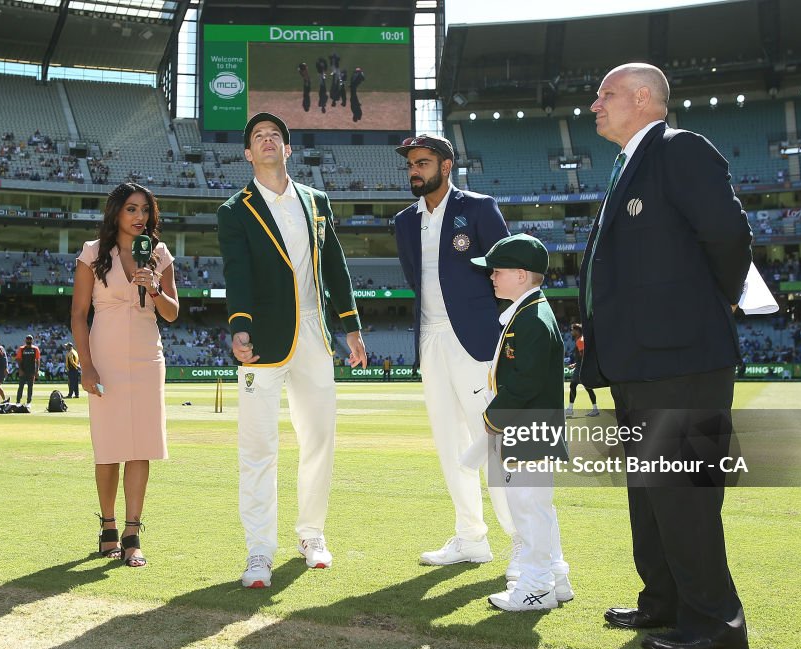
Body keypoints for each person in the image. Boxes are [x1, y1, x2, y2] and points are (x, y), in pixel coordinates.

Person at [582, 63, 751, 649]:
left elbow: (729, 236)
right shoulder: (628, 164)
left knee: (684, 492)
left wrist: (711, 302)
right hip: (636, 362)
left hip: (683, 356)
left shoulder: (679, 150)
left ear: (644, 98)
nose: (594, 106)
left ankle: (716, 624)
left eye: (605, 95)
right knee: (649, 491)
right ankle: (665, 602)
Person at [218, 112, 366, 589]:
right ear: (247, 153)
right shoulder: (234, 210)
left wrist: (352, 327)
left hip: (316, 336)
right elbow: (236, 273)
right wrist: (240, 328)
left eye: (275, 136)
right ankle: (259, 550)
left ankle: (312, 535)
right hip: (263, 340)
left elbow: (336, 266)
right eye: (259, 137)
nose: (267, 141)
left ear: (288, 149)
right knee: (258, 447)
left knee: (319, 439)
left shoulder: (315, 200)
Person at [393, 133, 518, 574]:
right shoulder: (404, 222)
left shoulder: (478, 208)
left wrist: (500, 332)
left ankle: (525, 545)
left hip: (477, 341)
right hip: (430, 341)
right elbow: (416, 278)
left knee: (496, 443)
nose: (414, 169)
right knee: (450, 446)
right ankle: (470, 538)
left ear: (446, 166)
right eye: (410, 163)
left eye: (423, 162)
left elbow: (507, 271)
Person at [72, 181, 179, 568]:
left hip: (147, 359)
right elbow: (78, 314)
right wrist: (86, 364)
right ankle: (108, 528)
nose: (139, 217)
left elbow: (172, 313)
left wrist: (153, 289)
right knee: (109, 446)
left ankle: (133, 533)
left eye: (145, 210)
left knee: (141, 445)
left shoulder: (159, 254)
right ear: (116, 211)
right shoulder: (93, 253)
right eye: (132, 209)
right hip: (106, 357)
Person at [472, 234, 574, 612]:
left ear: (520, 274)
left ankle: (536, 587)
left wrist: (491, 418)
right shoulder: (530, 311)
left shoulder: (530, 318)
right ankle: (555, 578)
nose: (492, 277)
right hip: (532, 427)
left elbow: (524, 383)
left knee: (528, 511)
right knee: (539, 508)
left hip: (526, 429)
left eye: (497, 271)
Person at [565, 323, 599, 417]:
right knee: (588, 388)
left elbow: (584, 356)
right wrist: (576, 364)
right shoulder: (581, 340)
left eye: (572, 330)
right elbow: (583, 356)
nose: (571, 332)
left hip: (581, 369)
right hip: (583, 368)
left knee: (573, 386)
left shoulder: (580, 341)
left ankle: (570, 409)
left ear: (577, 331)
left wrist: (579, 366)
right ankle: (595, 409)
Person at [14, 335, 40, 405]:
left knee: (30, 387)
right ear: (25, 340)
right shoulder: (21, 348)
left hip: (31, 371)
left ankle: (29, 402)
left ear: (32, 340)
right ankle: (18, 401)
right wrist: (20, 370)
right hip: (23, 370)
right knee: (21, 386)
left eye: (30, 339)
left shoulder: (35, 349)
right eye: (27, 339)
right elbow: (18, 359)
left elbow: (37, 360)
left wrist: (37, 371)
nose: (29, 340)